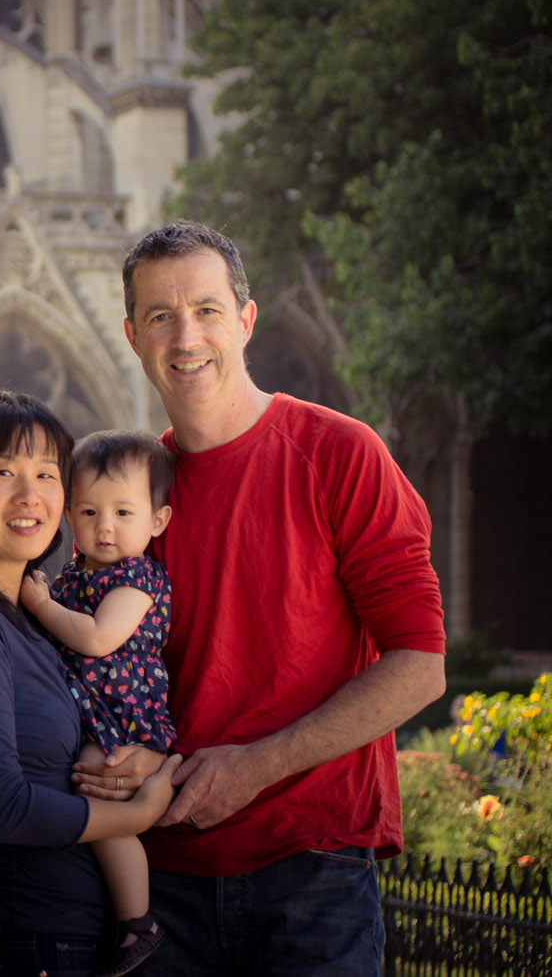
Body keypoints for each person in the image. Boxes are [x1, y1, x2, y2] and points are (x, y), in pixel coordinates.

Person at [90, 220, 448, 973]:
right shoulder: (132, 494)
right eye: (161, 316)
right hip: (162, 888)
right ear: (133, 336)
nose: (186, 337)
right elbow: (89, 651)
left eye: (207, 310)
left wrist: (256, 766)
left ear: (245, 320)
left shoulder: (339, 453)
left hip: (312, 873)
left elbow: (420, 664)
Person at [0, 389, 182, 977]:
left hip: (61, 940)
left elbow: (62, 751)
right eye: (2, 472)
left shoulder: (22, 617)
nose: (29, 496)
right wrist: (135, 816)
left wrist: (137, 764)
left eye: (47, 474)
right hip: (32, 942)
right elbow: (0, 809)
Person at [18, 429, 177, 976]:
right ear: (68, 517)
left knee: (99, 788)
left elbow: (96, 639)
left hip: (122, 714)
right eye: (88, 511)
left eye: (123, 512)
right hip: (91, 706)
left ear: (158, 521)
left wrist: (40, 607)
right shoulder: (74, 577)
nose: (104, 526)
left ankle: (138, 921)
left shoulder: (138, 578)